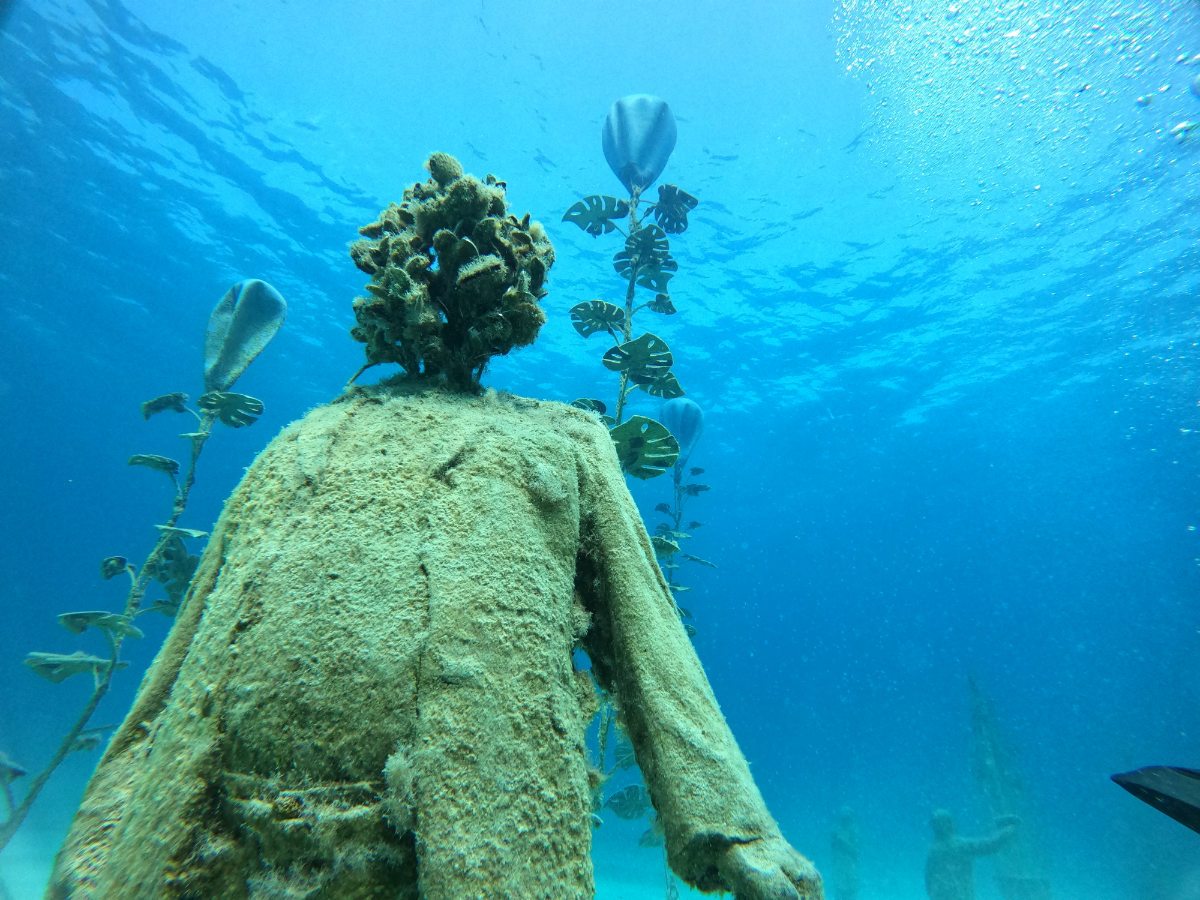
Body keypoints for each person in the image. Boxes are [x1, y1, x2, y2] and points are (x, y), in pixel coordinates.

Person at [925, 809, 1019, 900]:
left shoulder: (934, 848)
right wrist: (1009, 829)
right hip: (959, 896)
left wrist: (934, 894)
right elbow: (991, 846)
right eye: (950, 821)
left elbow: (928, 878)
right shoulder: (958, 846)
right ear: (949, 823)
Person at [830, 806, 861, 900]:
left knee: (850, 890)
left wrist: (842, 841)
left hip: (849, 865)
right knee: (839, 890)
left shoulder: (853, 830)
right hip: (840, 865)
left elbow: (855, 850)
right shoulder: (837, 830)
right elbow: (833, 846)